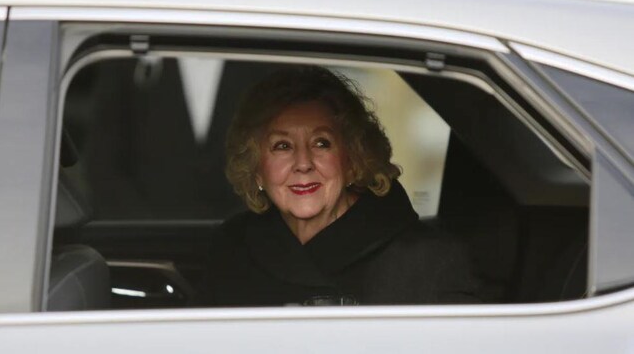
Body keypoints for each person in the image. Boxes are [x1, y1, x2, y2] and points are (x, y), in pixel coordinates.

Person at [199, 66, 479, 306]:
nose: (303, 163)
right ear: (256, 169)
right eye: (282, 146)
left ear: (353, 159)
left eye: (322, 143)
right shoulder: (232, 250)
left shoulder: (430, 261)